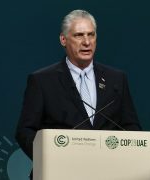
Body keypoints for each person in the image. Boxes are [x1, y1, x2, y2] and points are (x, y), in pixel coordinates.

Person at [16, 9, 142, 164]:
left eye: (91, 34)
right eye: (79, 35)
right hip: (60, 170)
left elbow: (131, 127)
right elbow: (25, 131)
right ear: (63, 39)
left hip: (107, 169)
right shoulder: (42, 80)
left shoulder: (116, 79)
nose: (87, 42)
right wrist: (48, 159)